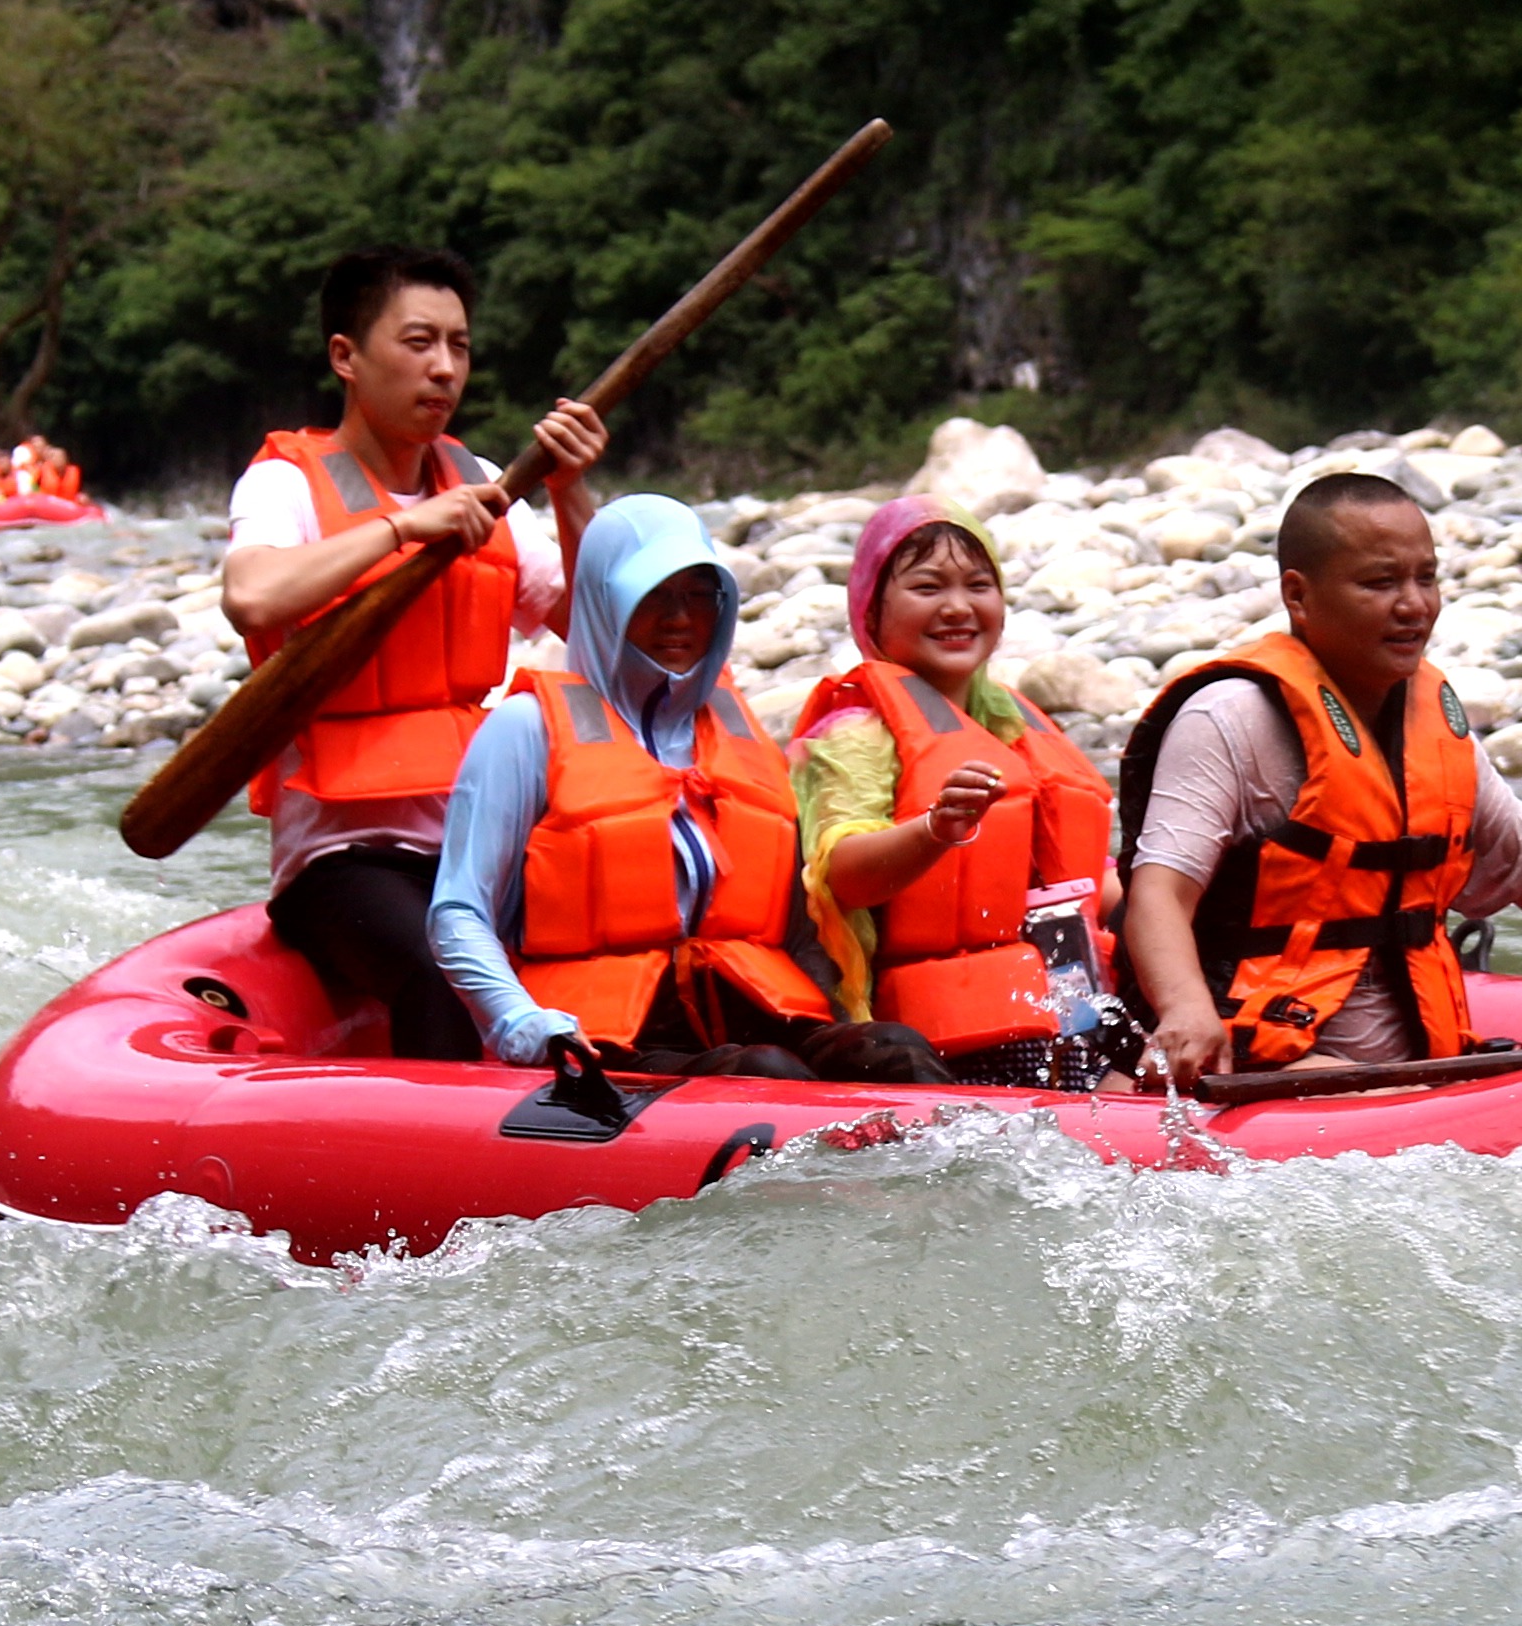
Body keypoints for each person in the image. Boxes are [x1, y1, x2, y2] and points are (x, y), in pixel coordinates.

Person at [1120, 471, 1522, 1083]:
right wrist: (1184, 1008)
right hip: (1261, 1062)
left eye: (1426, 578)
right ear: (1299, 595)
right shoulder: (1231, 717)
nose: (1414, 605)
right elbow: (1160, 894)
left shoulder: (1430, 721)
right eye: (1380, 583)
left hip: (1411, 1069)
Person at [219, 245, 604, 1063]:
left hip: (478, 846)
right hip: (342, 861)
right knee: (444, 972)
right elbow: (252, 596)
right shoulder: (284, 483)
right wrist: (400, 529)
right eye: (418, 342)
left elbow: (592, 629)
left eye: (458, 346)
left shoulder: (485, 483)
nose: (444, 369)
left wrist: (571, 494)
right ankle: (451, 1176)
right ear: (345, 358)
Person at [431, 495, 947, 1083]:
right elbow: (459, 911)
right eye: (652, 596)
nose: (680, 618)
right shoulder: (525, 729)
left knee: (895, 1051)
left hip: (746, 1009)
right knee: (765, 1071)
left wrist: (835, 1021)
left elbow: (798, 926)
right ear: (604, 603)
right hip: (604, 1037)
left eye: (698, 595)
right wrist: (522, 1023)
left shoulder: (738, 730)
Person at [791, 500, 1122, 1082]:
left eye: (978, 585)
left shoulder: (1015, 722)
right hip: (921, 1031)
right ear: (871, 612)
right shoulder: (853, 735)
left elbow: (1085, 879)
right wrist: (935, 830)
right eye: (927, 587)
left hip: (1052, 1005)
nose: (957, 608)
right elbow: (840, 876)